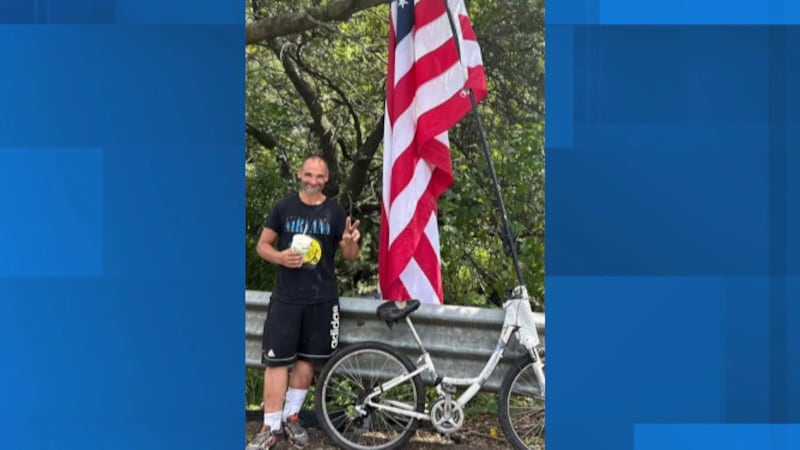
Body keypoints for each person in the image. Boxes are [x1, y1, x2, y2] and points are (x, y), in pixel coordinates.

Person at [246, 155, 361, 450]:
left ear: (327, 178)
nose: (313, 181)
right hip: (286, 298)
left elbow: (350, 257)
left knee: (307, 361)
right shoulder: (284, 208)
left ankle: (291, 417)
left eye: (319, 177)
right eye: (308, 175)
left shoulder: (335, 211)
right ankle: (269, 426)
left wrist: (350, 242)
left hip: (322, 299)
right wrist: (281, 257)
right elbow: (262, 246)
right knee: (276, 362)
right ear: (300, 173)